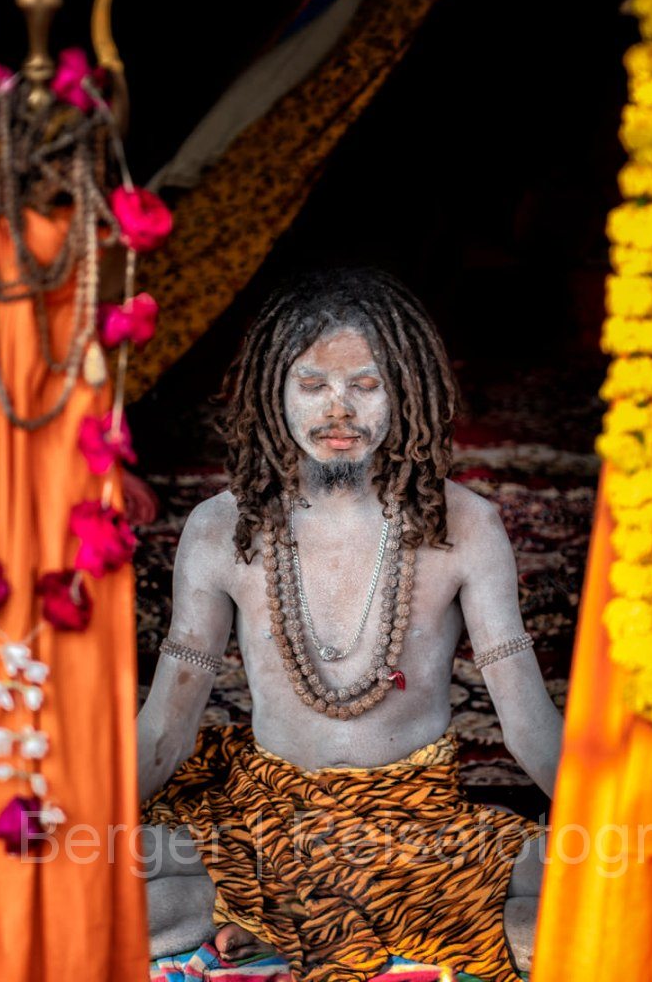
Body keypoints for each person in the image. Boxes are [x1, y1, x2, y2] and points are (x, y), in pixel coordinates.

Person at [137, 267, 561, 982]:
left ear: (407, 392)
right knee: (74, 878)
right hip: (263, 823)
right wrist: (80, 822)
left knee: (603, 888)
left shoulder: (467, 526)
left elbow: (527, 725)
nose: (339, 410)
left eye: (366, 386)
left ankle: (271, 929)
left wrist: (618, 826)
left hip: (416, 832)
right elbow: (166, 730)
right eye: (312, 385)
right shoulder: (218, 529)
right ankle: (309, 925)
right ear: (273, 393)